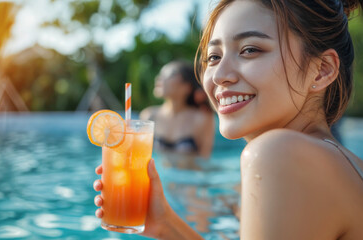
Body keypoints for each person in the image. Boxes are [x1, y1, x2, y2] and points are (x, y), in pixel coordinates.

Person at [93, 0, 363, 239]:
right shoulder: (347, 164)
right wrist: (166, 226)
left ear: (322, 70)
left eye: (250, 50)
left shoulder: (278, 154)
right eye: (214, 56)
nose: (220, 75)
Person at [140, 60, 215, 169]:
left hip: (187, 180)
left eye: (169, 75)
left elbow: (203, 162)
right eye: (160, 74)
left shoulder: (202, 119)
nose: (159, 78)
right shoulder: (149, 116)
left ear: (187, 86)